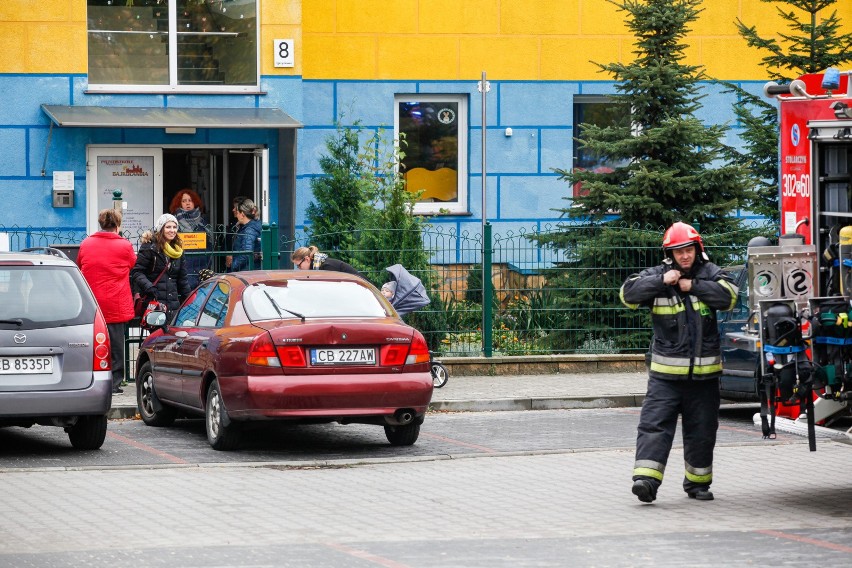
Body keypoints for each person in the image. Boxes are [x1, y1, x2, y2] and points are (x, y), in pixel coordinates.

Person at [620, 222, 737, 504]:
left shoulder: (712, 274)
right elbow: (628, 294)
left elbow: (730, 297)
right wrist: (663, 281)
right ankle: (646, 482)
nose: (684, 256)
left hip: (704, 379)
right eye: (678, 251)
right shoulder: (657, 275)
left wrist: (692, 285)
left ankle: (698, 484)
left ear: (698, 249)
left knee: (702, 432)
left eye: (688, 250)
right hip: (665, 379)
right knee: (654, 427)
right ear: (669, 254)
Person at [77, 209, 137, 394]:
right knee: (117, 344)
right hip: (116, 301)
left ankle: (92, 379)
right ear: (117, 225)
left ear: (101, 224)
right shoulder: (124, 246)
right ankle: (115, 382)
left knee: (93, 342)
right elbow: (132, 263)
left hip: (93, 301)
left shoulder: (87, 243)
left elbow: (79, 265)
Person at [130, 213, 191, 315]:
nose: (172, 230)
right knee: (158, 332)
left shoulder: (178, 251)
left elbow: (183, 280)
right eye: (168, 227)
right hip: (154, 303)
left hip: (173, 306)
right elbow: (137, 272)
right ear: (161, 229)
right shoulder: (150, 247)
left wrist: (189, 300)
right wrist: (149, 287)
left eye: (174, 227)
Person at [169, 189, 210, 289]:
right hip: (181, 267)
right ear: (179, 203)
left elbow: (209, 246)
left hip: (200, 267)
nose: (187, 203)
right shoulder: (173, 222)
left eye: (190, 200)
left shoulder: (203, 222)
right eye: (184, 201)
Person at [226, 196, 262, 272]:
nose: (237, 215)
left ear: (242, 214)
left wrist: (233, 266)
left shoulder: (249, 230)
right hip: (249, 269)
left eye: (238, 213)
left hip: (247, 271)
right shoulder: (248, 227)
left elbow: (246, 253)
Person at [290, 245, 364, 278]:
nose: (298, 268)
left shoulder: (326, 267)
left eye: (299, 265)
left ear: (307, 259)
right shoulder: (318, 266)